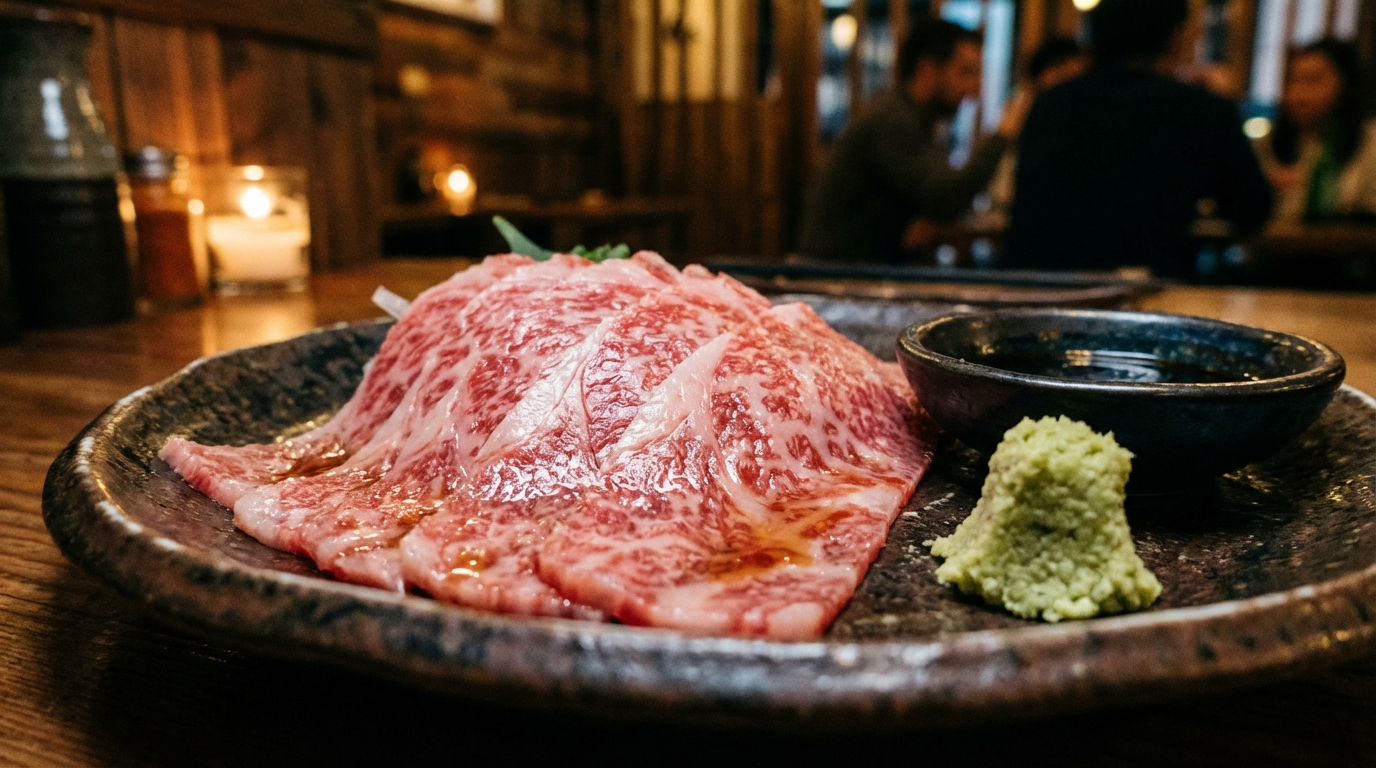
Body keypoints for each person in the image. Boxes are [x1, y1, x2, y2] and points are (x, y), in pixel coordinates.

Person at [1003, 0, 1272, 278]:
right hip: (1149, 295)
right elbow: (1253, 209)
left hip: (1042, 288)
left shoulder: (1048, 104)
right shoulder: (1202, 109)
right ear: (1175, 37)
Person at [800, 20, 1030, 264]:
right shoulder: (893, 121)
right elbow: (946, 197)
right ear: (927, 70)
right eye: (966, 72)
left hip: (860, 272)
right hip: (837, 276)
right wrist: (1003, 134)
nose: (974, 89)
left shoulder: (912, 117)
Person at [1254, 38, 1376, 225]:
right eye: (1292, 80)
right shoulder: (1266, 144)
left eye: (1313, 80)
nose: (1299, 92)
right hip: (1273, 250)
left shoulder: (1369, 142)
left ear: (1346, 86)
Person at [987, 37, 1089, 216]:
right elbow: (1002, 180)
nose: (1071, 89)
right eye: (1064, 76)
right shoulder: (1023, 107)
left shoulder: (1062, 114)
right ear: (1046, 72)